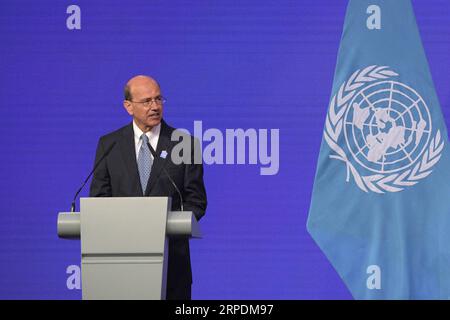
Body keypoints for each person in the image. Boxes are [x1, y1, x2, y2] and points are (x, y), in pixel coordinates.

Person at [89, 75, 207, 300]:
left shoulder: (185, 144)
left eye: (158, 99)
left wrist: (161, 225)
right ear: (128, 106)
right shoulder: (109, 144)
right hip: (119, 264)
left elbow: (197, 201)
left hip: (172, 266)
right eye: (146, 101)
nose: (155, 107)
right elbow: (99, 199)